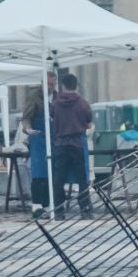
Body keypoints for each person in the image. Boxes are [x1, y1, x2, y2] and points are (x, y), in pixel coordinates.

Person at [50, 71, 95, 218]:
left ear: (63, 86)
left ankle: (58, 210)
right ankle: (85, 209)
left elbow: (52, 118)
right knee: (82, 178)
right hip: (77, 143)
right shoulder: (83, 103)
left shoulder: (55, 103)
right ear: (76, 86)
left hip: (60, 143)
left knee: (59, 178)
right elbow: (89, 124)